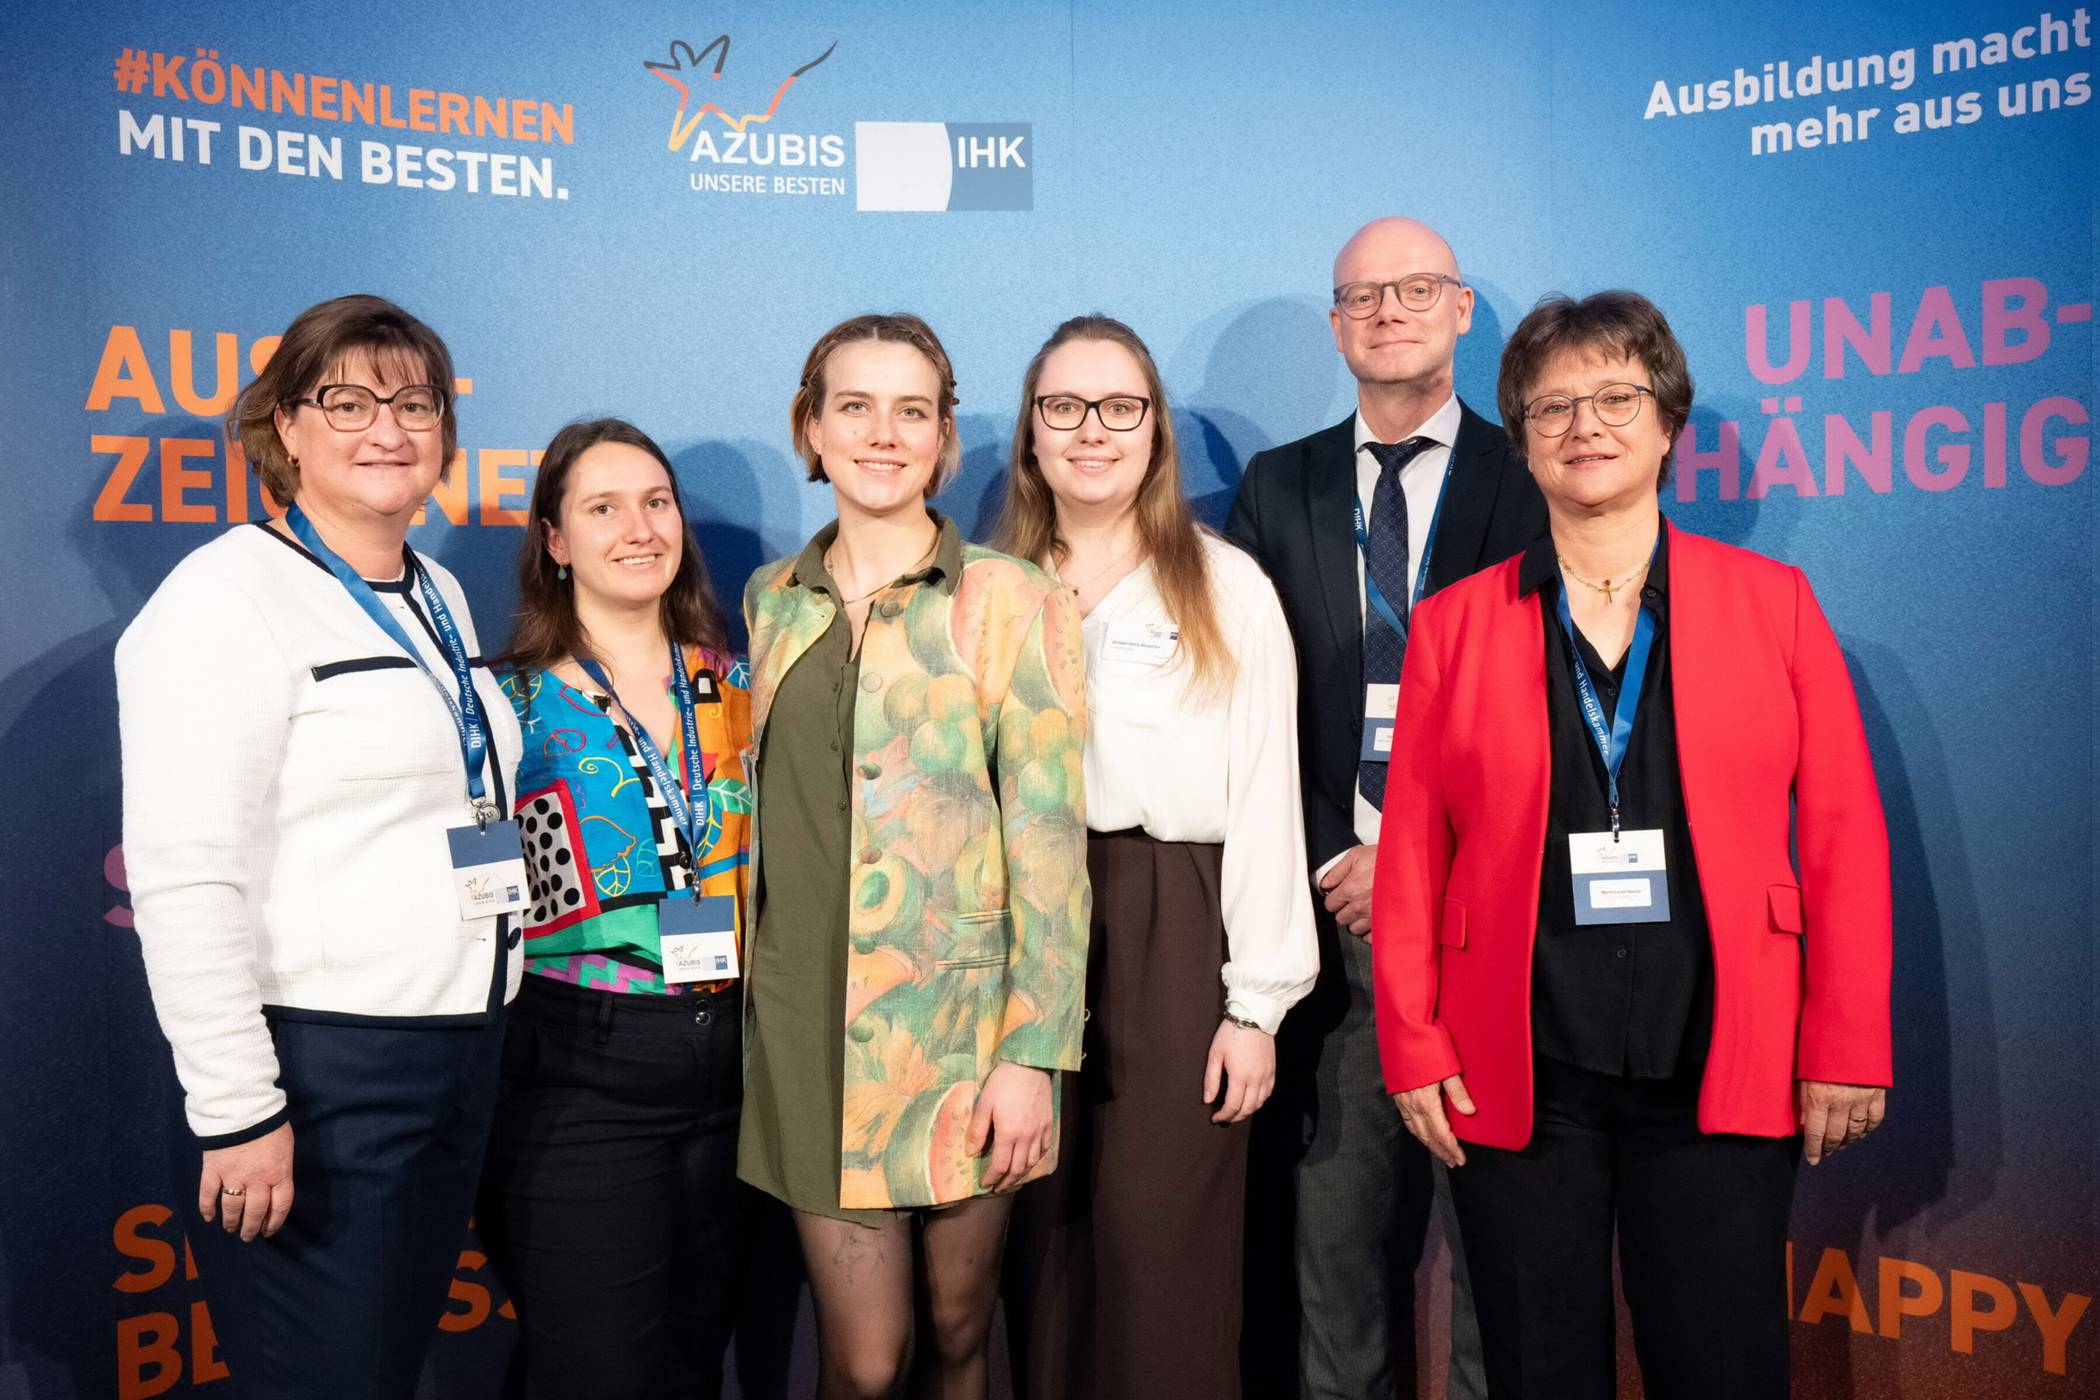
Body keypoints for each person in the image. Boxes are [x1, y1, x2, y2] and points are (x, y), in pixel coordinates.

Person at [1374, 290, 1893, 1398]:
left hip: (1719, 1053)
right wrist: (1411, 1039)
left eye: (1617, 396)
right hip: (1518, 1067)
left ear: (1667, 422)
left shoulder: (1775, 604)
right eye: (1553, 406)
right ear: (1521, 443)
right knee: (1536, 1367)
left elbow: (1844, 833)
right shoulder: (1455, 624)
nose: (1586, 425)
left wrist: (1844, 1039)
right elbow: (1413, 848)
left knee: (1721, 1363)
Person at [115, 295, 522, 1396]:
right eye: (346, 400)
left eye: (413, 401)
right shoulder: (221, 599)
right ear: (284, 427)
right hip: (322, 1072)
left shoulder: (433, 591)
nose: (387, 427)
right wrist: (243, 1108)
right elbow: (185, 874)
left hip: (456, 1052)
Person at [737, 312, 1090, 1400]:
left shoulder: (1010, 599)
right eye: (854, 406)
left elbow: (1049, 837)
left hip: (965, 1031)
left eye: (911, 411)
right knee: (866, 1353)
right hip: (804, 1035)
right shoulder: (768, 601)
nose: (882, 434)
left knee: (954, 1326)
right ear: (811, 428)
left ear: (942, 439)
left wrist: (1034, 1052)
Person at [1224, 216, 1543, 1399]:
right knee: (1335, 1268)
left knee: (1499, 1268)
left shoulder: (1536, 474)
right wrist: (1334, 856)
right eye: (1364, 293)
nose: (1390, 309)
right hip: (1332, 932)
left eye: (1417, 288)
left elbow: (1550, 716)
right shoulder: (1279, 484)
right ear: (1336, 323)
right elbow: (1246, 709)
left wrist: (1414, 860)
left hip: (1484, 929)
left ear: (1462, 309)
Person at [994, 316, 1318, 1398]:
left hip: (1170, 931)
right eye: (1065, 407)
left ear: (1156, 429)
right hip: (1007, 933)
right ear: (1032, 432)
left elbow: (1268, 793)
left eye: (1120, 406)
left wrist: (1257, 1004)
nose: (1093, 431)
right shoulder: (981, 588)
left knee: (1158, 1244)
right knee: (1036, 1242)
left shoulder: (1225, 589)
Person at [478, 418, 753, 1398]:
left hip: (737, 1072)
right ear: (555, 540)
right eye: (602, 507)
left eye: (655, 500)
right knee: (596, 1370)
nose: (638, 527)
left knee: (692, 1362)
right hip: (579, 1072)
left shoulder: (739, 686)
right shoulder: (499, 706)